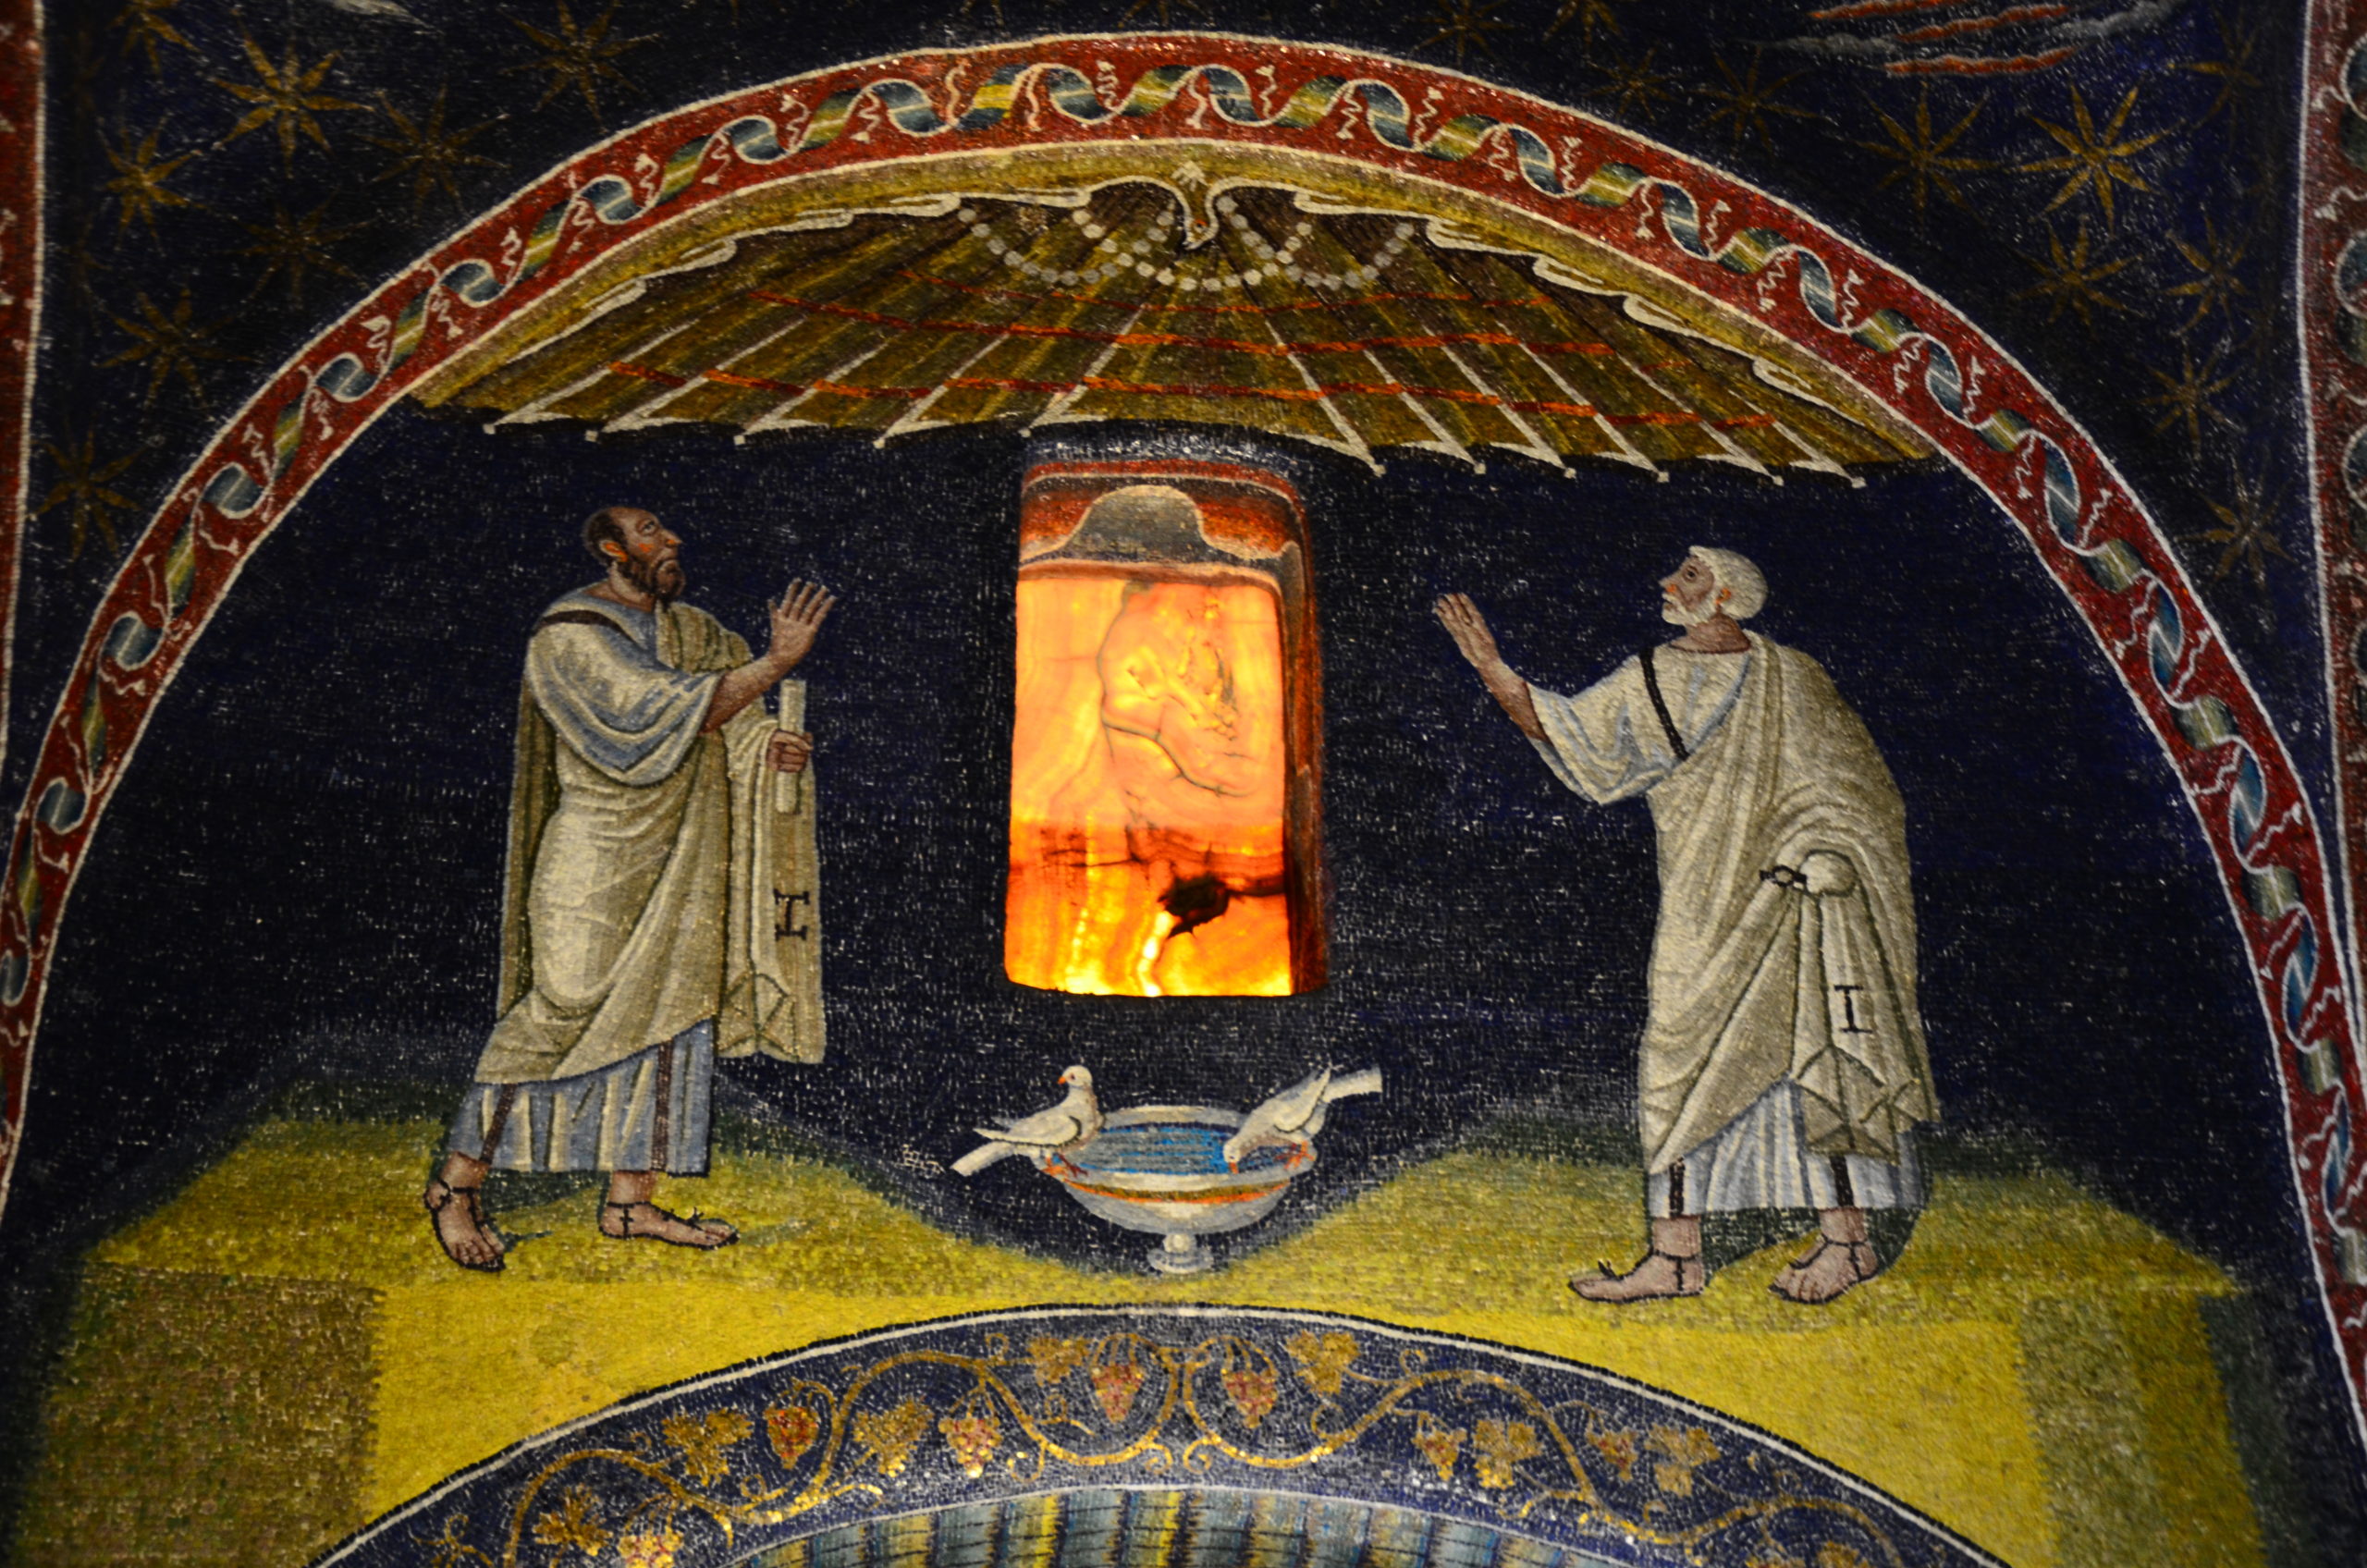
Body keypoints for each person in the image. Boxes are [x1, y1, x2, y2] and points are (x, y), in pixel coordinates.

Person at [1435, 548, 1936, 1304]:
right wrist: (1491, 666)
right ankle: (1675, 1259)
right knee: (1677, 1063)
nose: (1670, 585)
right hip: (1705, 902)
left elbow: (1858, 789)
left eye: (1690, 577)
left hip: (1795, 903)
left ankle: (1848, 1243)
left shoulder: (1792, 678)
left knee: (1818, 1061)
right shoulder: (1652, 675)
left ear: (1727, 595)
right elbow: (1573, 734)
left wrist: (1827, 851)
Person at [423, 506, 834, 1271]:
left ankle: (630, 1202)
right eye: (649, 533)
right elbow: (656, 717)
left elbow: (733, 725)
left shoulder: (697, 633)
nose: (670, 540)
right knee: (559, 1009)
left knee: (673, 1022)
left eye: (667, 532)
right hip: (598, 857)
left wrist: (769, 747)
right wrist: (775, 662)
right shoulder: (569, 635)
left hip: (686, 858)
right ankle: (456, 1186)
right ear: (613, 550)